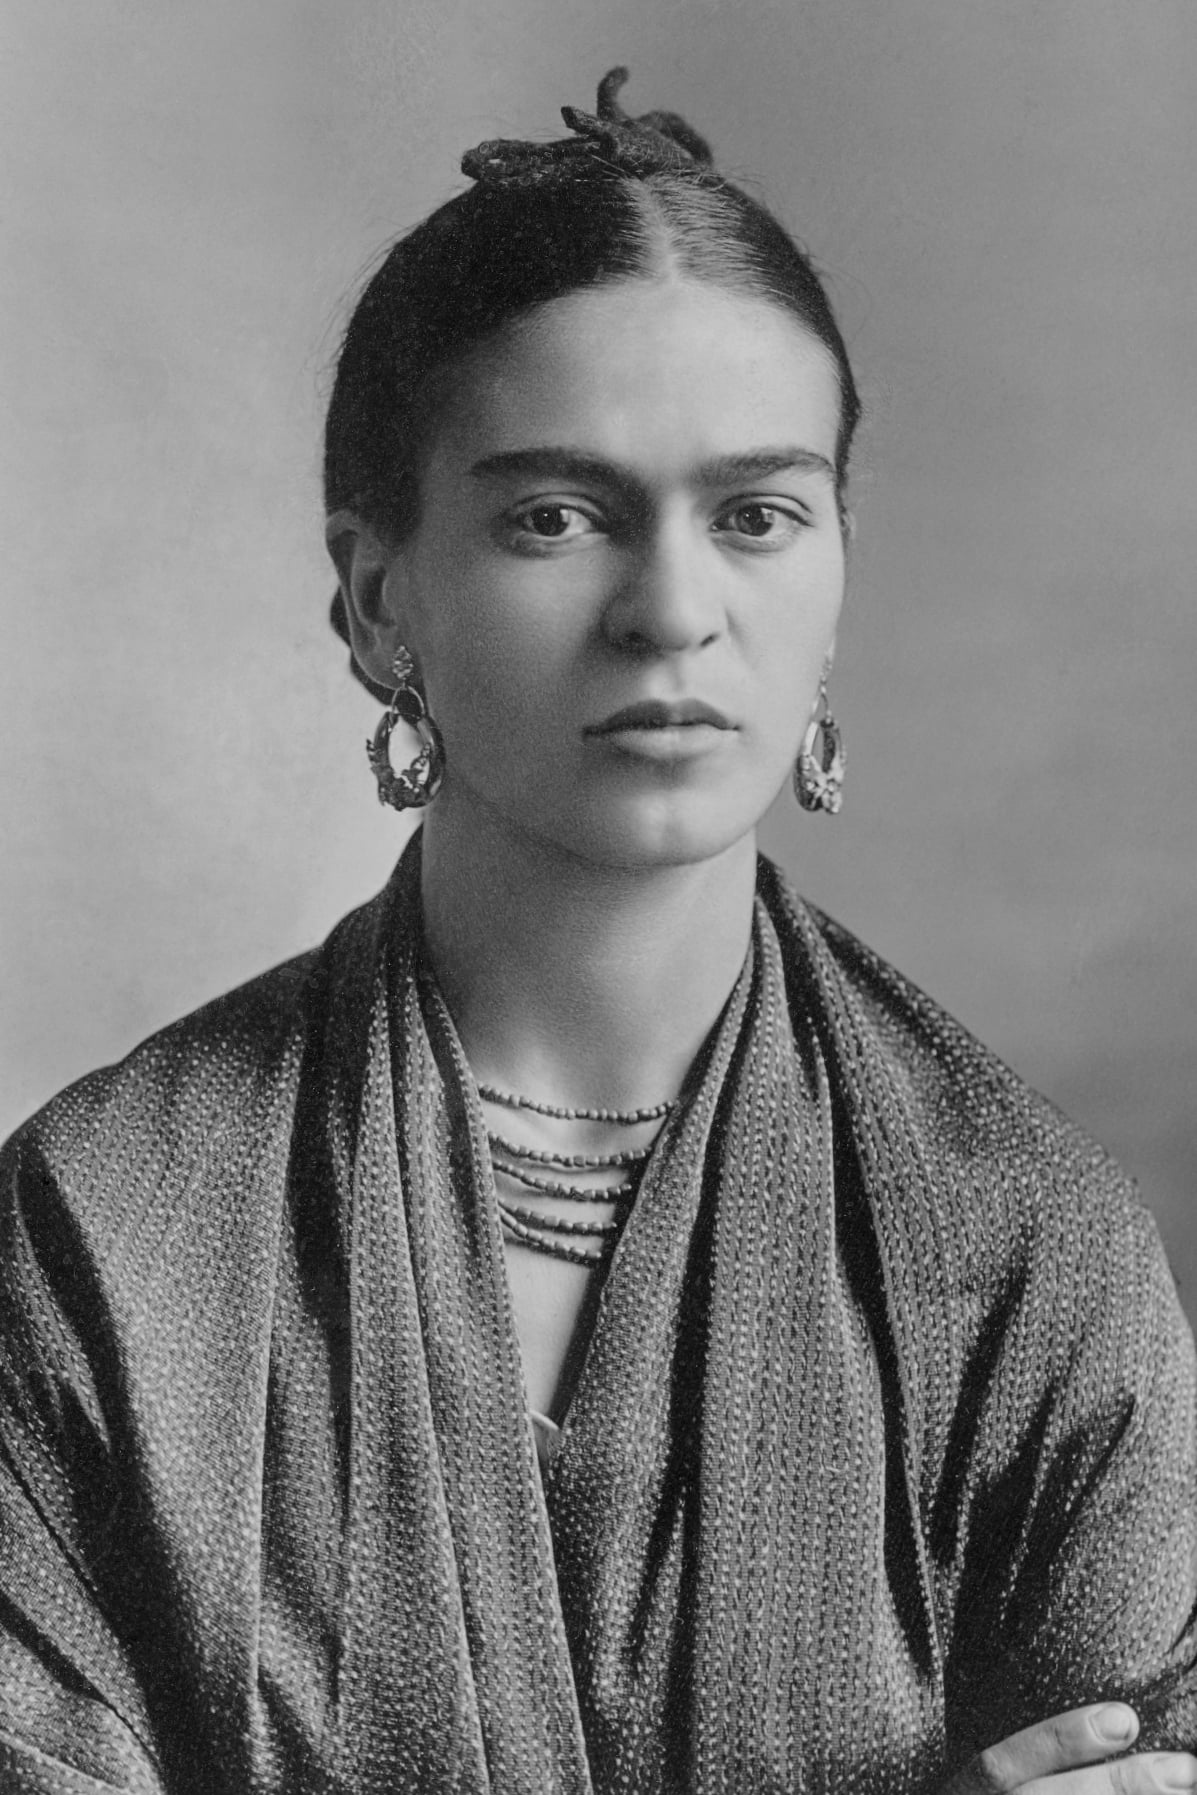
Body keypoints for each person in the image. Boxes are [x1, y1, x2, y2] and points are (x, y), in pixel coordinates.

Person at [0, 67, 1193, 1795]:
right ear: (374, 591)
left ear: (838, 566)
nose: (672, 612)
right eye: (555, 517)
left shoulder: (1023, 1253)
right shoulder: (102, 1235)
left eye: (755, 514)